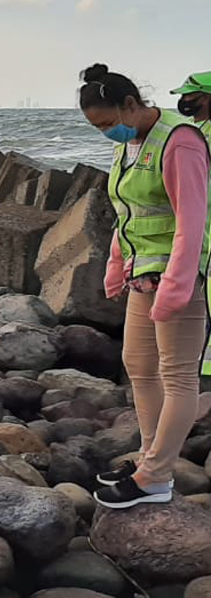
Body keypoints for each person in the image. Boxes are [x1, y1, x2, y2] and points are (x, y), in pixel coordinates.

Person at [78, 64, 211, 509]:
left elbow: (192, 221)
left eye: (107, 123)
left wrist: (178, 284)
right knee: (138, 364)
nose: (106, 133)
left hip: (177, 275)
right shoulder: (130, 143)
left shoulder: (180, 142)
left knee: (178, 375)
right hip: (142, 272)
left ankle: (155, 477)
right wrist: (116, 265)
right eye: (97, 128)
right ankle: (148, 458)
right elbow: (128, 212)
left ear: (130, 105)